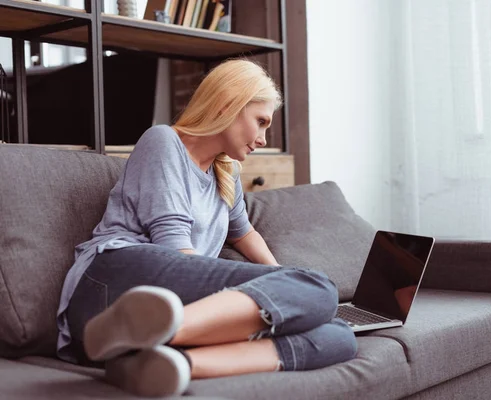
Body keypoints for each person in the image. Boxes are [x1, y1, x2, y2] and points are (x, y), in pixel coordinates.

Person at [55, 59, 358, 397]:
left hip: (154, 316)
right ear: (229, 104)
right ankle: (151, 327)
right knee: (319, 288)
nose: (262, 138)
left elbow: (244, 233)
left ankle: (174, 362)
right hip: (112, 285)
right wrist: (294, 288)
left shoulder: (225, 173)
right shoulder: (164, 142)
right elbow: (174, 246)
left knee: (339, 336)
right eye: (260, 122)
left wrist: (285, 287)